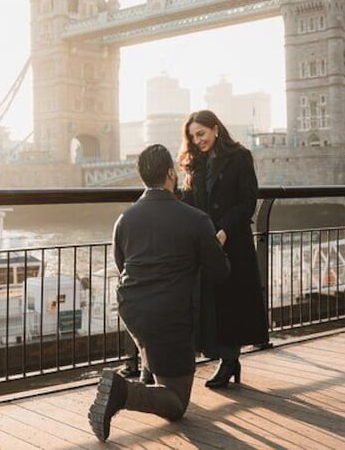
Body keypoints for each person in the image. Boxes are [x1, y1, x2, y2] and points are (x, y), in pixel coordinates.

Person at [87, 144, 230, 442]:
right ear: (170, 173)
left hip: (131, 307)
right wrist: (215, 245)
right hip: (170, 315)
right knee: (177, 403)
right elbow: (220, 271)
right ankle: (121, 391)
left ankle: (145, 374)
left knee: (150, 341)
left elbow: (122, 263)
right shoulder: (195, 219)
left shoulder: (124, 219)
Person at [178, 109, 270, 389]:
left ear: (216, 129)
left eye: (201, 134)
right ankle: (224, 359)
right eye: (193, 137)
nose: (197, 141)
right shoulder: (196, 163)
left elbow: (248, 200)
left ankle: (229, 362)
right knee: (211, 304)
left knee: (231, 304)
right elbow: (190, 201)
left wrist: (225, 229)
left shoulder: (239, 157)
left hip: (233, 242)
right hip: (207, 243)